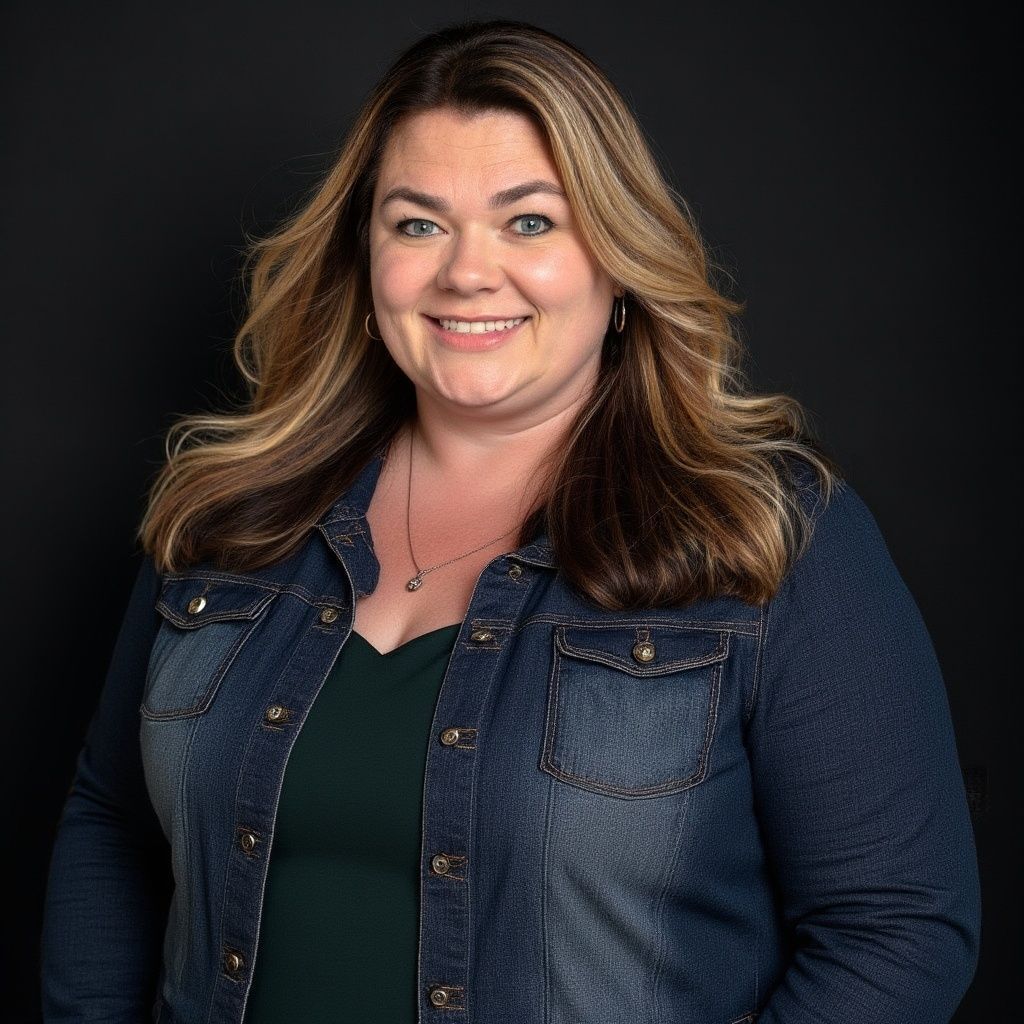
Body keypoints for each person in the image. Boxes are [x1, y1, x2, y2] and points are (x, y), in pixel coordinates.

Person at [40, 18, 981, 1024]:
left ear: (617, 264)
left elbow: (897, 927)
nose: (466, 272)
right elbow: (113, 827)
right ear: (365, 264)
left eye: (529, 221)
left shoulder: (769, 535)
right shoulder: (230, 512)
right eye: (417, 224)